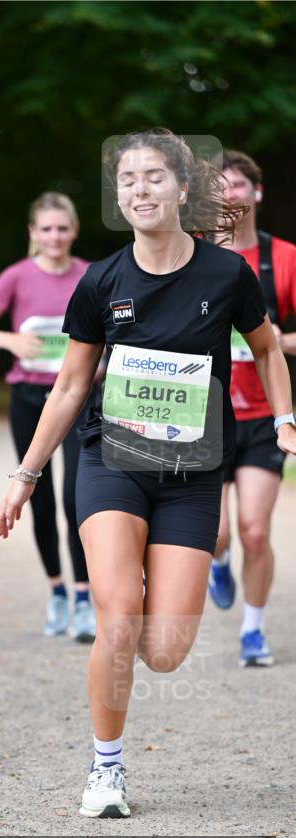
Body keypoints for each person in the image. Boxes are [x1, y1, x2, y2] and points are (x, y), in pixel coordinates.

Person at [0, 130, 296, 819]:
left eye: (154, 177)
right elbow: (71, 386)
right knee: (117, 618)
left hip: (192, 472)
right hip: (113, 462)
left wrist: (284, 417)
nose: (139, 189)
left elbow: (265, 349)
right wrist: (26, 473)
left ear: (183, 188)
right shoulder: (101, 281)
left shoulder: (227, 275)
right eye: (127, 179)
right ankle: (106, 768)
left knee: (163, 651)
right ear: (118, 194)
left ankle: (141, 600)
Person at [0, 192, 97, 642]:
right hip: (29, 399)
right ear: (33, 233)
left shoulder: (91, 275)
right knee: (37, 496)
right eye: (46, 229)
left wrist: (100, 363)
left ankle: (84, 598)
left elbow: (116, 330)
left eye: (62, 228)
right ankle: (57, 591)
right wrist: (11, 342)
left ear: (74, 231)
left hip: (78, 399)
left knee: (77, 498)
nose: (54, 237)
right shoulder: (17, 276)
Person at [207, 149, 296, 667]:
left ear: (256, 192)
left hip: (264, 415)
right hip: (207, 414)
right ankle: (218, 562)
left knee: (255, 530)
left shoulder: (283, 258)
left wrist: (281, 342)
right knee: (216, 533)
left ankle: (253, 630)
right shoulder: (192, 254)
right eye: (219, 186)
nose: (229, 194)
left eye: (238, 184)